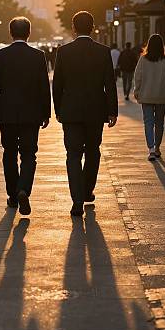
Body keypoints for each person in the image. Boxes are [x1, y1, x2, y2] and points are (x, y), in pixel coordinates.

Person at [53, 11, 118, 217]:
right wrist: (112, 111)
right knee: (93, 151)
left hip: (70, 111)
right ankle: (87, 190)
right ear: (92, 27)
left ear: (73, 28)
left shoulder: (63, 52)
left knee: (72, 154)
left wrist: (58, 110)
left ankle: (77, 200)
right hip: (95, 111)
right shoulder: (103, 51)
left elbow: (58, 85)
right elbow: (110, 83)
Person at [0, 16, 51, 216]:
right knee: (29, 154)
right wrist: (46, 112)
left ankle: (13, 195)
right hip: (31, 114)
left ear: (10, 32)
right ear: (29, 33)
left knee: (9, 153)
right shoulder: (38, 56)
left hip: (6, 113)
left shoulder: (0, 55)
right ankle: (24, 188)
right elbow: (43, 86)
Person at [133, 34, 165, 161]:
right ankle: (157, 148)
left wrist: (137, 90)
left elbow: (137, 77)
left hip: (146, 96)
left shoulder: (143, 60)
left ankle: (151, 149)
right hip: (162, 95)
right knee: (159, 123)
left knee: (148, 122)